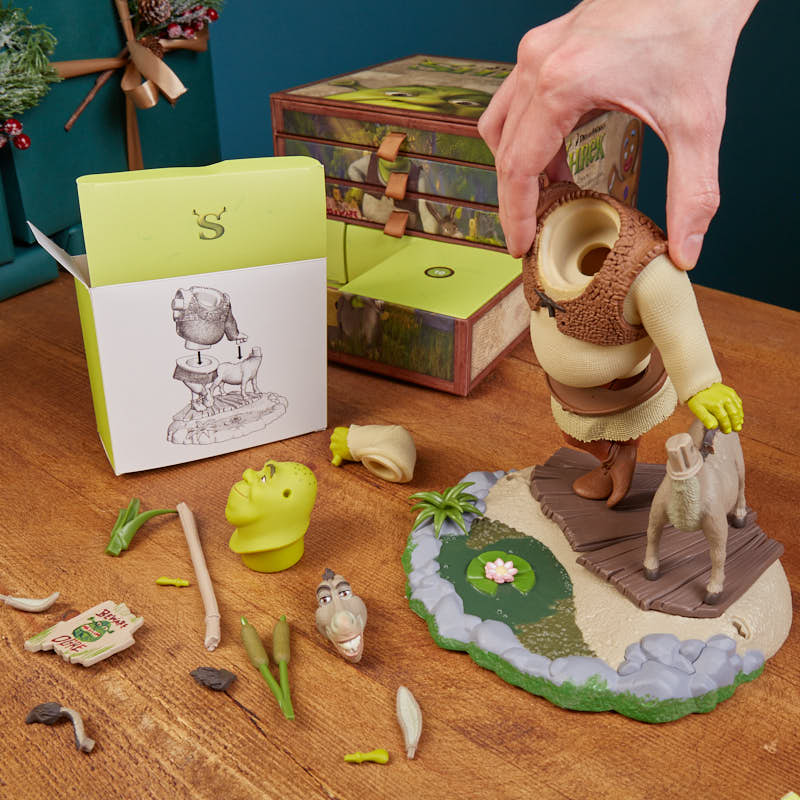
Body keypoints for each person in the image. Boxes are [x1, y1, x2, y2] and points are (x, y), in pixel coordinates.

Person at [478, 0, 755, 505]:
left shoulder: (642, 266)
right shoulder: (551, 221)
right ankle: (611, 459)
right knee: (576, 434)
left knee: (604, 432)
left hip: (622, 390)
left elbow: (678, 320)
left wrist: (701, 384)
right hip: (569, 393)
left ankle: (619, 459)